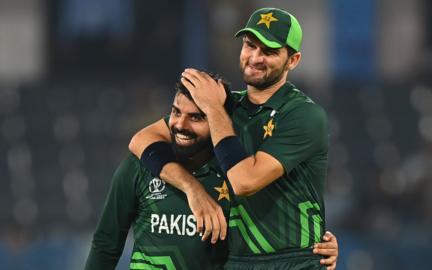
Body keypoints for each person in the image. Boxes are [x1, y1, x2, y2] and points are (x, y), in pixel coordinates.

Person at [129, 7, 332, 270]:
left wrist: (213, 109)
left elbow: (245, 181)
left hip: (292, 261)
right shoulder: (227, 106)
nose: (255, 58)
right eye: (250, 46)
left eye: (269, 51)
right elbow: (142, 139)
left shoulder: (303, 114)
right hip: (236, 261)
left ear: (292, 60)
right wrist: (193, 189)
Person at [86, 75, 338, 270]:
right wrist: (193, 189)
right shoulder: (140, 166)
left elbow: (274, 224)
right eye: (175, 112)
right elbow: (106, 244)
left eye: (197, 117)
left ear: (219, 121)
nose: (180, 125)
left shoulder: (236, 174)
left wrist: (317, 247)